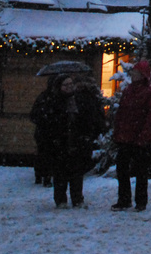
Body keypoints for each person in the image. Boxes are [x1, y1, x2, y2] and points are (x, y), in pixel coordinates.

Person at [43, 73, 105, 209]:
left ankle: (77, 198)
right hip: (60, 142)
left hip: (77, 141)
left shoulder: (80, 100)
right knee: (60, 173)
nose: (69, 87)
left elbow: (89, 119)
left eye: (71, 84)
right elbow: (48, 121)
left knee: (76, 173)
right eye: (66, 85)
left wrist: (86, 134)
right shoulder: (54, 101)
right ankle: (61, 200)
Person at [112, 59, 151, 211]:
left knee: (140, 170)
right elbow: (122, 113)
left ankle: (140, 201)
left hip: (139, 137)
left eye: (135, 72)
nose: (132, 74)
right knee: (122, 168)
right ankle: (124, 199)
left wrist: (145, 135)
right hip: (126, 136)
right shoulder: (129, 90)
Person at [29, 79, 56, 187]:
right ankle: (46, 177)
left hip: (42, 131)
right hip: (49, 131)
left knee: (41, 153)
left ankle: (39, 175)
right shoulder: (54, 99)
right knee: (49, 154)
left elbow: (33, 114)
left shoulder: (42, 97)